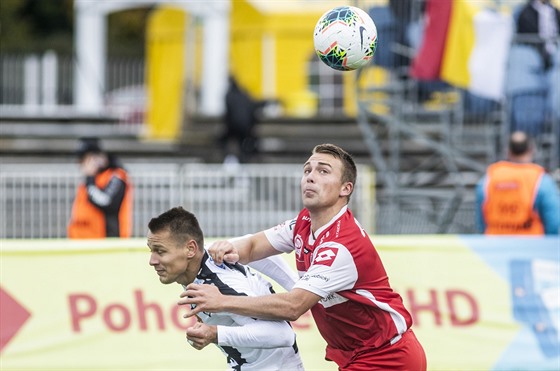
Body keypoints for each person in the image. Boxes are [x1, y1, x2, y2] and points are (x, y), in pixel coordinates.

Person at [179, 144, 427, 371]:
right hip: (358, 354)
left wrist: (221, 301)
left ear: (345, 188)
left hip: (389, 358)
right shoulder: (304, 223)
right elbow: (254, 245)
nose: (310, 176)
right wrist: (230, 247)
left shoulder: (341, 245)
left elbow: (293, 306)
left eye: (323, 171)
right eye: (307, 169)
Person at [147, 206, 305, 371]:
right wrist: (296, 285)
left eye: (160, 251)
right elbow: (250, 241)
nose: (152, 260)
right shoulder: (214, 254)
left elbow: (283, 335)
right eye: (151, 251)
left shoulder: (219, 285)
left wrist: (215, 333)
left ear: (190, 249)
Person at [475, 131, 560, 235]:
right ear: (531, 150)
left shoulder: (489, 178)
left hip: (495, 245)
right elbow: (553, 222)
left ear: (508, 151)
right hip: (532, 247)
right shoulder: (541, 180)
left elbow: (481, 220)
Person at [67, 137, 133, 238]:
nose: (80, 163)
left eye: (83, 159)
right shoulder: (91, 180)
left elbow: (105, 201)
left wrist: (90, 179)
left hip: (106, 242)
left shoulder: (116, 176)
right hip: (82, 242)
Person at [220, 76, 264, 164]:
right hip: (246, 126)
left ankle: (237, 158)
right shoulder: (244, 95)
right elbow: (252, 106)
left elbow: (229, 114)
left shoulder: (229, 96)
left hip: (236, 126)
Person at [516, 0, 560, 71]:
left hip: (553, 49)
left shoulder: (554, 10)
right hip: (534, 50)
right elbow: (524, 31)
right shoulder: (526, 11)